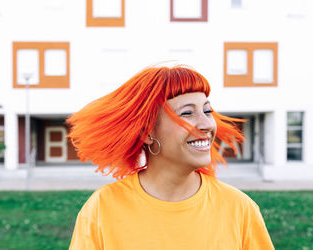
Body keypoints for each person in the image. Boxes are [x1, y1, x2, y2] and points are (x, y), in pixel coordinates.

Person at [67, 65, 274, 250]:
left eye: (207, 110)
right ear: (147, 132)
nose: (207, 124)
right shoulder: (103, 207)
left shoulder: (239, 208)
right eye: (187, 113)